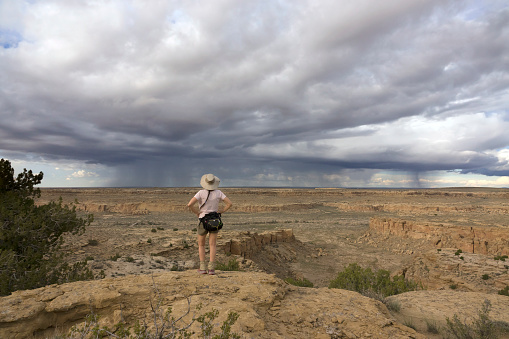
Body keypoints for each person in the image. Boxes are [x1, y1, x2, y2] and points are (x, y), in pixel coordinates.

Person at [187, 174, 232, 275]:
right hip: (214, 220)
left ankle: (202, 268)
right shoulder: (218, 193)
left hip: (203, 220)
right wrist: (221, 211)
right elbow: (229, 203)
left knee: (201, 244)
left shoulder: (200, 193)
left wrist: (197, 213)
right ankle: (211, 269)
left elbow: (189, 204)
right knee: (213, 244)